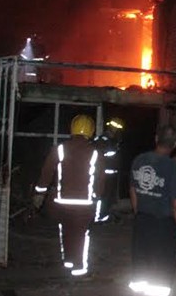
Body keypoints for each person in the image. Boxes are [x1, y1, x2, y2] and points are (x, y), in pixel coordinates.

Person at [125, 124, 176, 296]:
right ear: (175, 144)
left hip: (142, 224)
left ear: (156, 138)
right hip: (163, 228)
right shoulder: (172, 168)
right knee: (160, 278)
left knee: (140, 272)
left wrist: (140, 212)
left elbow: (133, 190)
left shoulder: (139, 160)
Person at [34, 114, 102, 277]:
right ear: (91, 131)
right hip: (84, 204)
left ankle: (68, 261)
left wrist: (39, 193)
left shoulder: (60, 148)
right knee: (81, 235)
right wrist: (97, 197)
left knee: (66, 231)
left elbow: (46, 172)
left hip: (61, 202)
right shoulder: (94, 153)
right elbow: (100, 179)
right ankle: (79, 268)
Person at [92, 117, 125, 223]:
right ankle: (98, 217)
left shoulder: (113, 142)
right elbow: (100, 158)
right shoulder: (101, 141)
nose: (118, 132)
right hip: (102, 174)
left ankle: (104, 216)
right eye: (116, 130)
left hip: (111, 175)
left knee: (107, 198)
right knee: (101, 196)